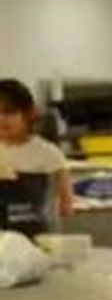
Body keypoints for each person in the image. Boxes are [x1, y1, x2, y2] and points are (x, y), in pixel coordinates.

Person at [0, 79, 73, 234]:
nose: (2, 119)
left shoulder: (49, 154)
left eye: (9, 112)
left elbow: (66, 205)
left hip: (37, 240)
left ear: (29, 113)